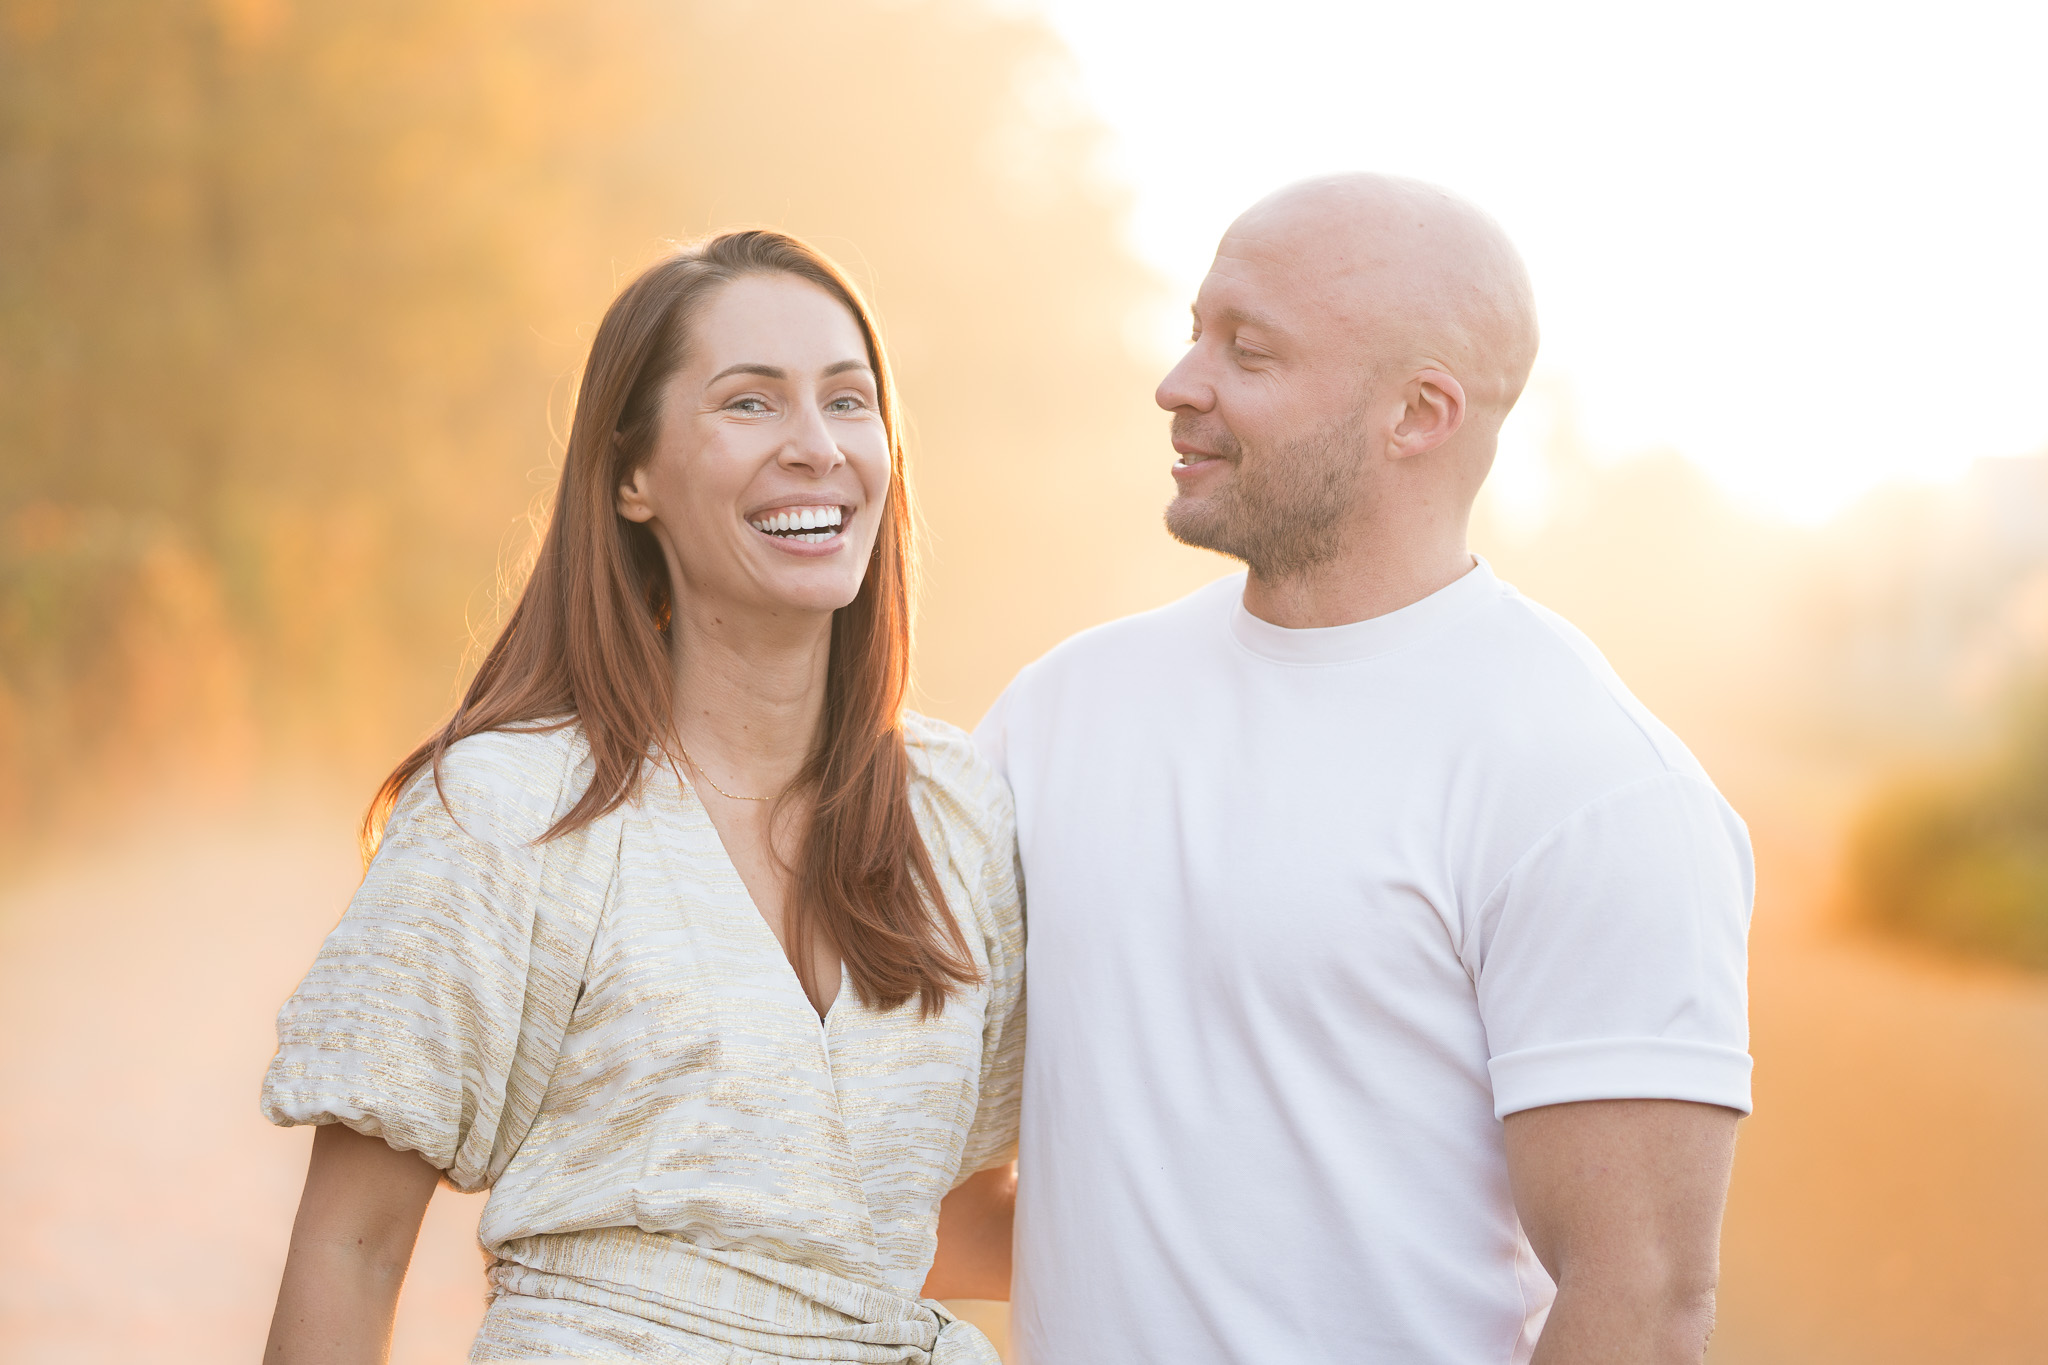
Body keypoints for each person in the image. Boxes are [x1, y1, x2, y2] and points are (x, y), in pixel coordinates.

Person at [975, 175, 1754, 1365]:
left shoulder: (1592, 784)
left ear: (1418, 414)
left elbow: (1639, 1302)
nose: (1178, 383)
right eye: (1194, 332)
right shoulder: (1055, 712)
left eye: (1249, 349)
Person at [260, 230, 1021, 1364]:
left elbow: (933, 1222)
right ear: (631, 478)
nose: (815, 448)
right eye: (749, 405)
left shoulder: (954, 812)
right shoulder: (510, 808)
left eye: (847, 401)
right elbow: (351, 1249)